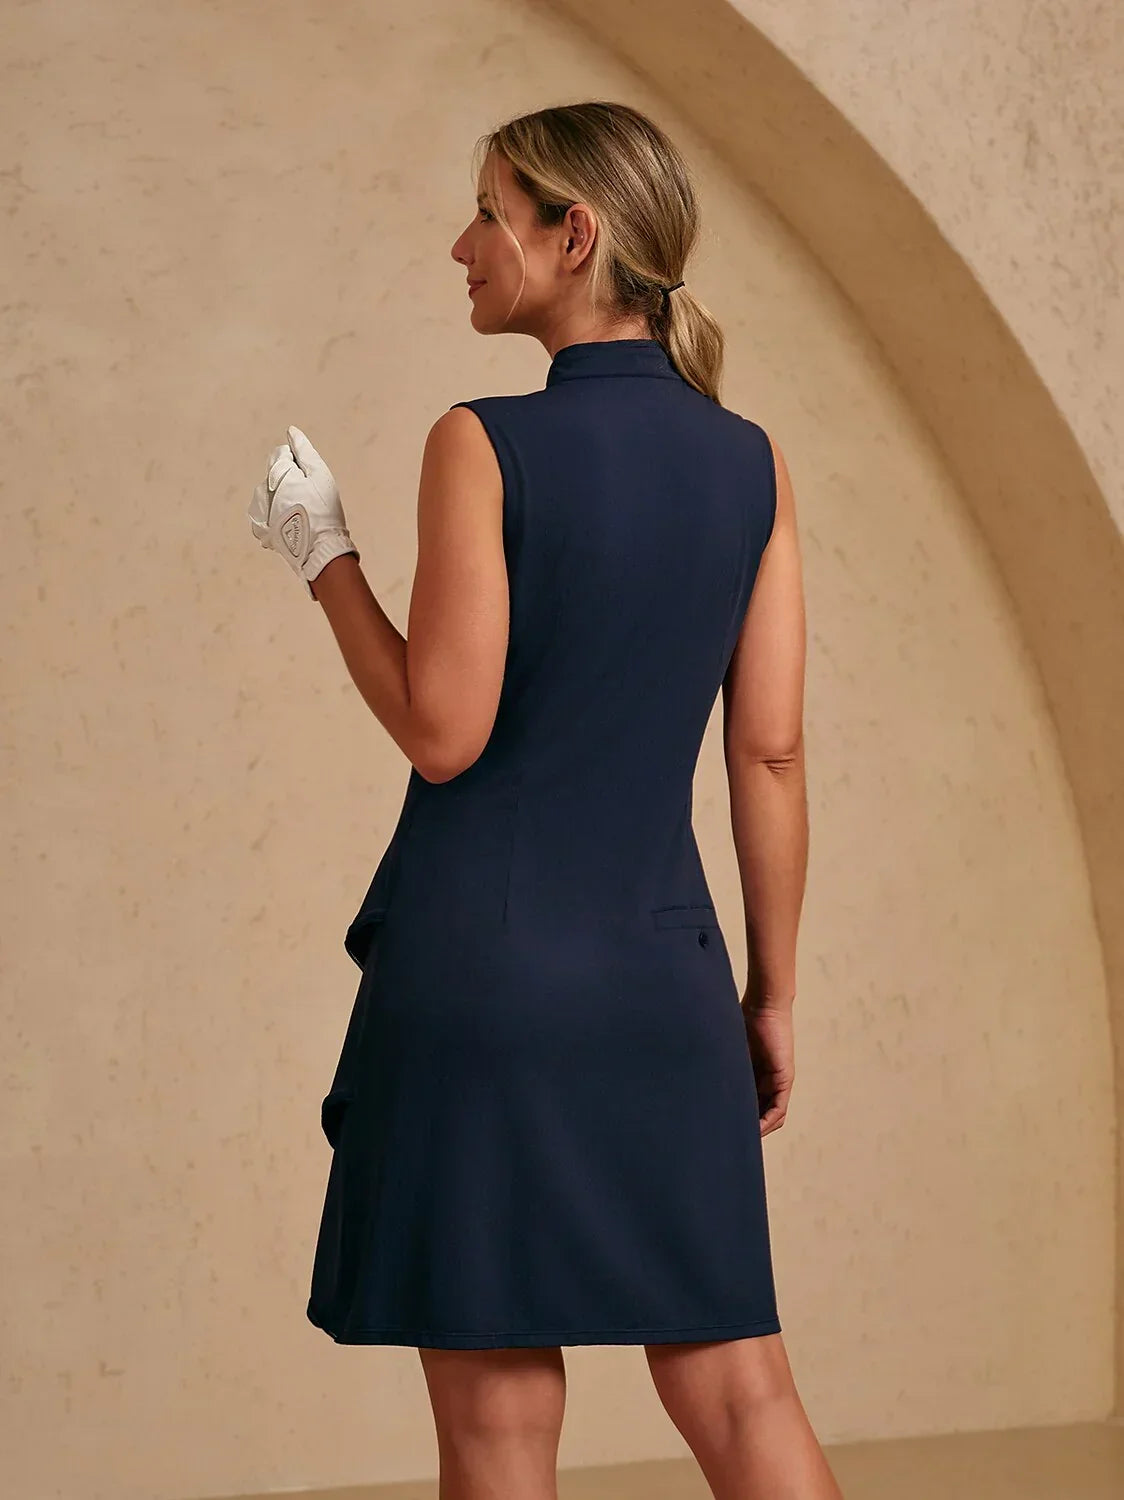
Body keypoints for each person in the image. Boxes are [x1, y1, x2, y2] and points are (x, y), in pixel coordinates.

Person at [249, 100, 841, 1500]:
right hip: (665, 984)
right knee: (741, 1392)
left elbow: (442, 734)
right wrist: (770, 995)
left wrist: (323, 557)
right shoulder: (751, 460)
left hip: (486, 976)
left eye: (489, 212)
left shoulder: (480, 441)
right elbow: (767, 756)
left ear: (575, 237)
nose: (463, 246)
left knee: (500, 1418)